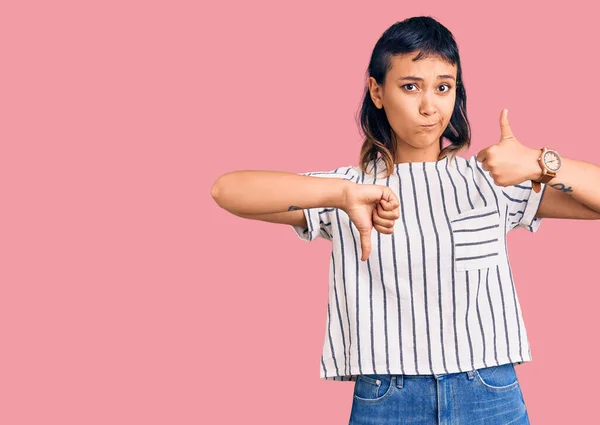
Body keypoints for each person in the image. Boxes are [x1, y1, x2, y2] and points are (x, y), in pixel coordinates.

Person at [211, 15, 600, 425]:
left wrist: (540, 162)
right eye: (410, 86)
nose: (430, 106)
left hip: (489, 391)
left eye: (444, 87)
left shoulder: (492, 179)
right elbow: (227, 190)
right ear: (377, 91)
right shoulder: (350, 188)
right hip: (387, 398)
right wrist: (339, 195)